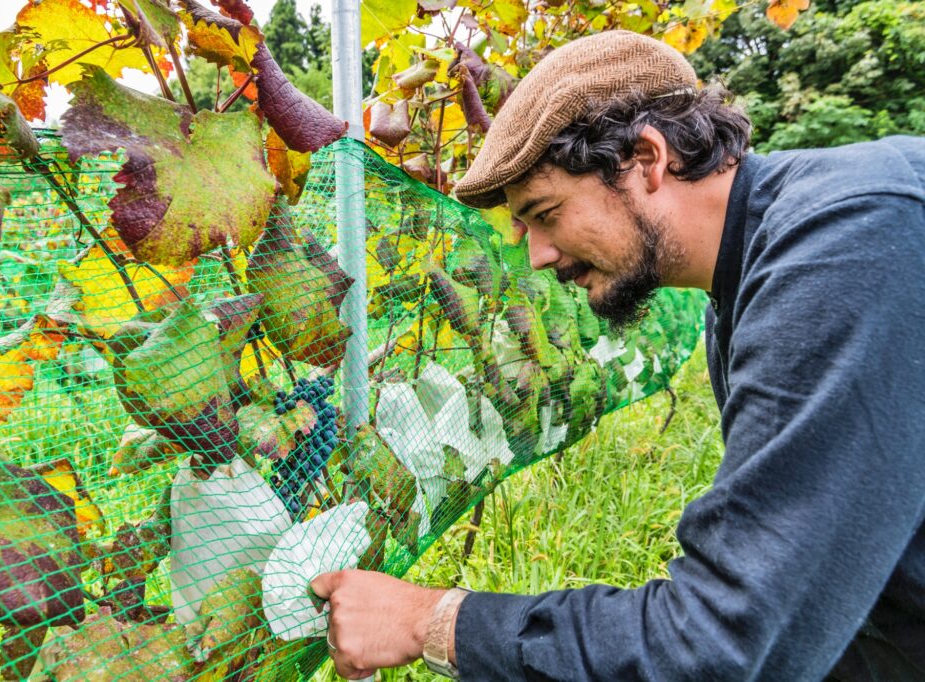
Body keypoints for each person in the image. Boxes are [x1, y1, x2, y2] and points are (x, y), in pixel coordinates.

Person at [311, 30, 925, 681]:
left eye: (545, 214)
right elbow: (832, 591)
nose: (539, 259)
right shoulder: (748, 278)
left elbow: (720, 640)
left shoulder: (847, 250)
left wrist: (430, 620)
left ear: (646, 159)